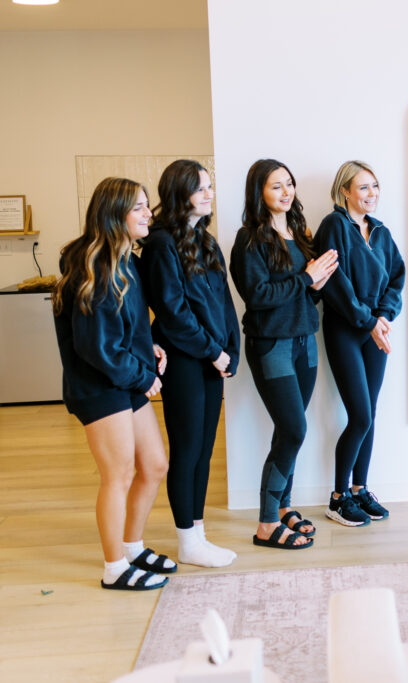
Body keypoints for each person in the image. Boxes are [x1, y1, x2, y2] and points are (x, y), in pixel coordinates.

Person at [53, 177, 175, 590]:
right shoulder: (96, 266)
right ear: (114, 214)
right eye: (139, 208)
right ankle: (115, 568)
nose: (148, 214)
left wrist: (151, 347)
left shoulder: (126, 260)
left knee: (155, 464)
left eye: (147, 206)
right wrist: (145, 377)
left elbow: (130, 329)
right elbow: (97, 349)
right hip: (100, 386)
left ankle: (132, 546)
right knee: (118, 474)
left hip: (125, 377)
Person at [229, 159, 338, 550]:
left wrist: (317, 282)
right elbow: (258, 298)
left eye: (289, 184)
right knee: (294, 430)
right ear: (259, 191)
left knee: (287, 429)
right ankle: (265, 523)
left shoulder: (300, 233)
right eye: (276, 186)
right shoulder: (249, 240)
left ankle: (283, 509)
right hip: (271, 344)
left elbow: (305, 292)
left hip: (305, 342)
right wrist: (307, 278)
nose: (286, 191)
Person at [139, 160, 240, 567]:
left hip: (211, 359)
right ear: (180, 193)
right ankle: (187, 540)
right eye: (200, 188)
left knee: (204, 452)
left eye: (210, 187)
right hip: (183, 360)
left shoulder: (206, 240)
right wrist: (213, 351)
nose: (209, 194)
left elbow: (223, 301)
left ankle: (197, 534)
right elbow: (172, 311)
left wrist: (231, 349)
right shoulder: (161, 243)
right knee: (187, 449)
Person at [314, 161, 405, 527]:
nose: (372, 194)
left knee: (371, 415)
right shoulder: (333, 225)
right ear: (345, 192)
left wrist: (384, 318)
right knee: (361, 416)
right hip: (346, 331)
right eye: (363, 187)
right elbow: (337, 286)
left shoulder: (380, 232)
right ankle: (338, 498)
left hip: (374, 331)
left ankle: (360, 488)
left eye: (375, 186)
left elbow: (396, 278)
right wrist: (369, 323)